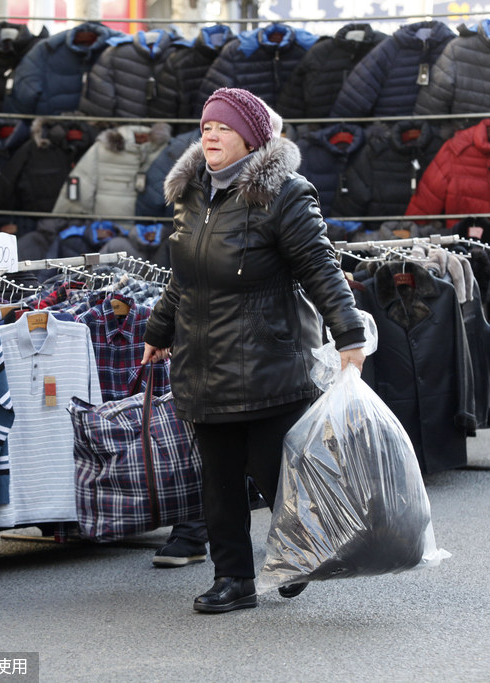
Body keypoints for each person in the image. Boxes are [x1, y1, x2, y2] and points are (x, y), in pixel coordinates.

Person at [141, 87, 366, 613]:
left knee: (274, 475)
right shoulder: (192, 193)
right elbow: (184, 277)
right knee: (218, 482)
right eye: (206, 127)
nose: (211, 135)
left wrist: (349, 336)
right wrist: (158, 331)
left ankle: (301, 552)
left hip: (268, 363)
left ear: (250, 139)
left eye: (224, 127)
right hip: (203, 363)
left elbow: (320, 268)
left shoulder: (285, 194)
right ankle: (233, 579)